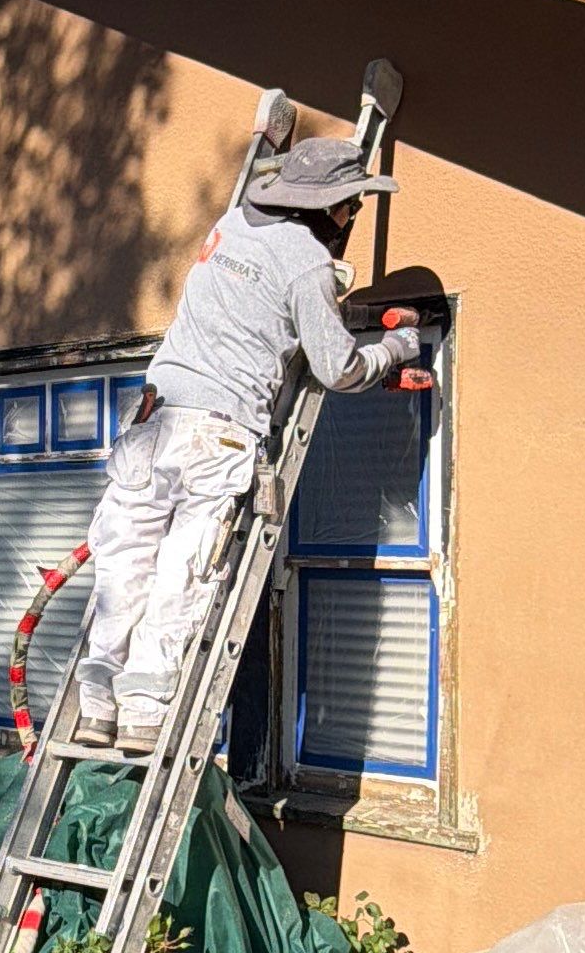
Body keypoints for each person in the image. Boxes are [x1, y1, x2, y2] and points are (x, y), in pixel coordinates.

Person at [72, 132, 428, 752]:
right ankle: (143, 709)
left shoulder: (231, 222)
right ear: (330, 206)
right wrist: (393, 347)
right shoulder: (306, 263)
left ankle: (96, 703)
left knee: (123, 564)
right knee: (184, 571)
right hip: (219, 436)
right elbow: (337, 368)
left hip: (152, 424)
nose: (352, 216)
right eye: (351, 205)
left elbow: (254, 289)